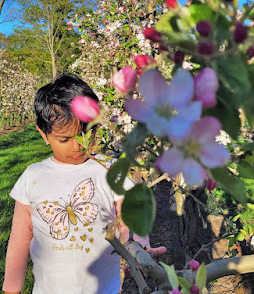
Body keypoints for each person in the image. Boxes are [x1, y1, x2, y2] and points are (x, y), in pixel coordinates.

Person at [3, 74, 165, 294]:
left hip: (102, 289)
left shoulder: (108, 169)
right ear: (44, 135)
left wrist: (138, 248)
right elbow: (21, 236)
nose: (78, 146)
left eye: (86, 134)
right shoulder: (33, 176)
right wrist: (12, 287)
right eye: (65, 139)